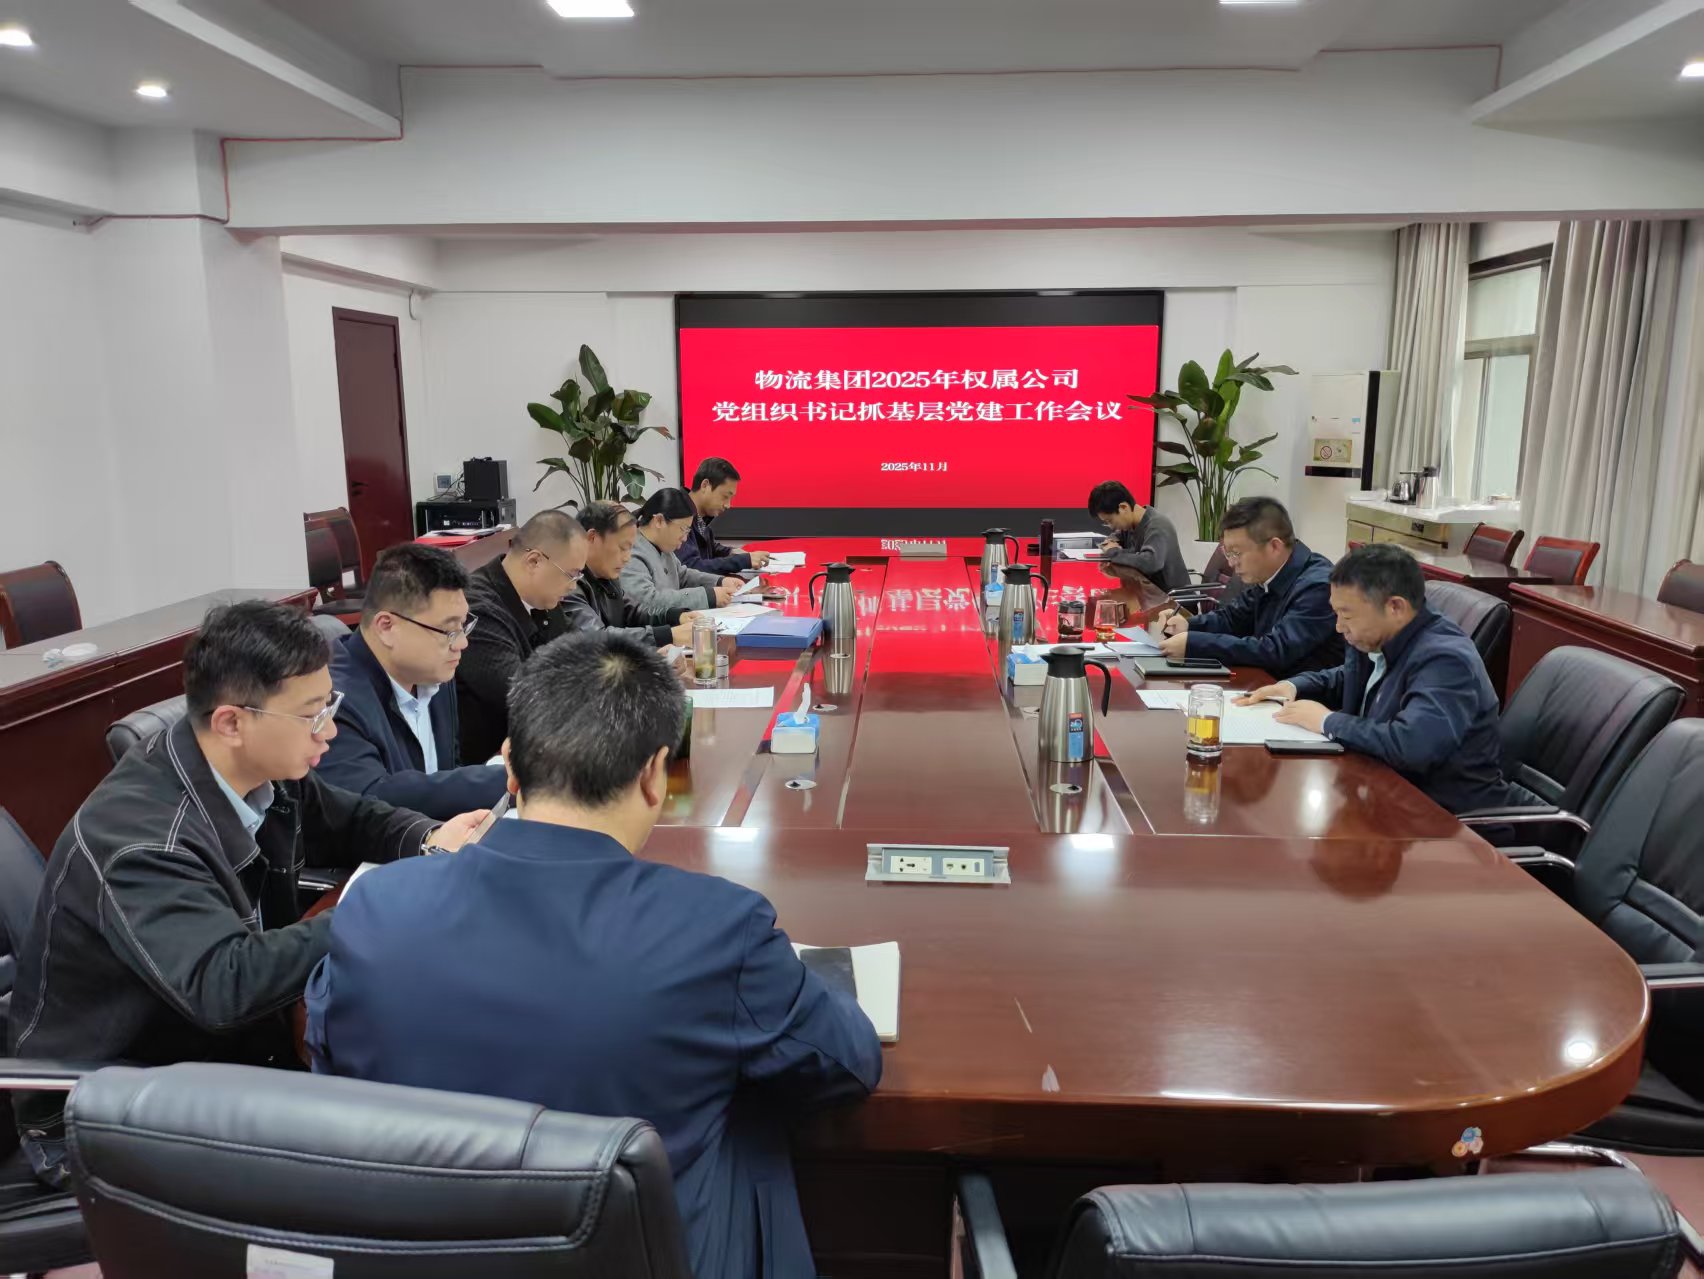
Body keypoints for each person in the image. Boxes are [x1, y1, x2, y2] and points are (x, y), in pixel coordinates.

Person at [306, 632, 881, 1279]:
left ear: (510, 765)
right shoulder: (718, 929)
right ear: (655, 773)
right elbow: (847, 1061)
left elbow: (331, 1057)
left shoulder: (373, 905)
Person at [7, 600, 488, 1185]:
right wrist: (378, 907)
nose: (330, 731)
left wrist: (429, 838)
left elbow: (354, 819)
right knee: (388, 1159)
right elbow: (224, 986)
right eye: (312, 715)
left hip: (215, 1059)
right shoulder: (143, 841)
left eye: (330, 705)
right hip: (109, 1107)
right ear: (232, 723)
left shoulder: (257, 769)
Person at [1238, 543, 1514, 814]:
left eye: (1346, 615)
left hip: (1444, 819)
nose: (1338, 627)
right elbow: (1350, 677)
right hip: (1379, 792)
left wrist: (1326, 721)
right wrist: (1293, 686)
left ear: (1395, 607)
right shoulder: (1377, 635)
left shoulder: (1447, 660)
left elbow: (1412, 745)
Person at [317, 544, 507, 819]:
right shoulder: (334, 699)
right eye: (448, 630)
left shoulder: (433, 673)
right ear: (386, 627)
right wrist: (509, 778)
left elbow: (443, 775)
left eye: (463, 626)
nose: (461, 643)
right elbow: (369, 798)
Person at [1152, 496, 1344, 678]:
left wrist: (1194, 643)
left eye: (1236, 553)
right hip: (1267, 685)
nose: (1232, 563)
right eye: (1227, 553)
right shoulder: (1270, 574)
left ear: (1274, 547)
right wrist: (1189, 625)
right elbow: (1233, 619)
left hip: (1301, 695)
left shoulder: (1318, 587)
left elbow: (1275, 651)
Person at [456, 510, 586, 763]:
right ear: (534, 561)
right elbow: (523, 693)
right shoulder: (478, 609)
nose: (573, 586)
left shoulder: (540, 598)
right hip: (491, 766)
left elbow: (582, 648)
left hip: (537, 748)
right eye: (571, 575)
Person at [567, 501, 700, 649]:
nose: (627, 558)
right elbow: (597, 638)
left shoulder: (606, 576)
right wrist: (668, 635)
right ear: (592, 538)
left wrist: (675, 616)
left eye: (630, 549)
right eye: (623, 548)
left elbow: (633, 611)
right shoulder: (566, 584)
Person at [622, 487, 745, 620]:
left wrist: (720, 581)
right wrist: (707, 596)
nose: (685, 538)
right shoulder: (630, 552)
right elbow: (647, 602)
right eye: (683, 529)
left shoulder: (663, 547)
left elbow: (683, 575)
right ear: (659, 521)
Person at [1087, 479, 1190, 602]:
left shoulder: (1157, 525)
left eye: (1109, 521)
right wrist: (1110, 548)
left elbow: (1149, 563)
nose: (1111, 526)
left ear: (1123, 507)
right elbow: (1112, 539)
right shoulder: (1129, 525)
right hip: (1145, 595)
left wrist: (1113, 553)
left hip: (1173, 602)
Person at [679, 456, 771, 574]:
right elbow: (690, 567)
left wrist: (731, 552)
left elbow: (710, 549)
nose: (728, 505)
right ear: (705, 485)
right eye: (725, 496)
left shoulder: (701, 517)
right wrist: (742, 561)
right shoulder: (678, 514)